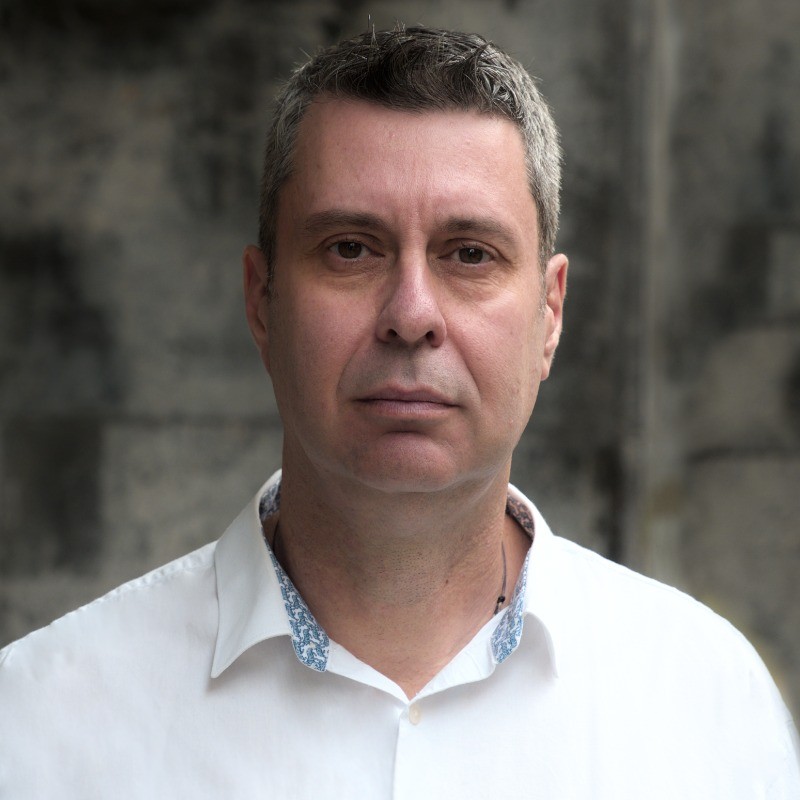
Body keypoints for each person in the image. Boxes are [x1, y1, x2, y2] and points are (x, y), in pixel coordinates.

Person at [1, 26, 798, 798]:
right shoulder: (42, 723)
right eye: (351, 248)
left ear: (550, 314)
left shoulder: (708, 707)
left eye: (470, 254)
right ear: (262, 301)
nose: (411, 314)